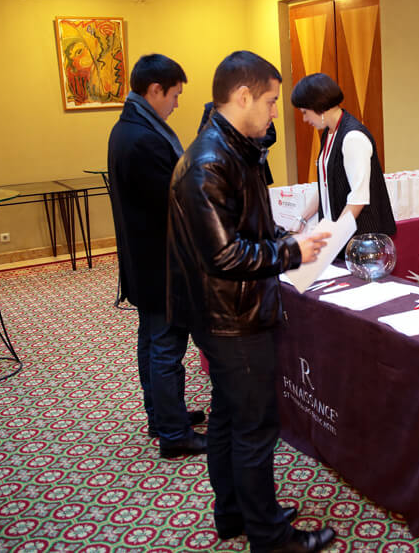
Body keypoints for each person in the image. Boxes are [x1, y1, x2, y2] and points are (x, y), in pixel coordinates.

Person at [167, 51, 336, 553]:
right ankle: (269, 537)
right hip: (231, 316)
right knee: (255, 428)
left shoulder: (232, 148)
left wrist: (283, 236)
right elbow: (225, 254)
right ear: (242, 96)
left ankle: (234, 513)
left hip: (223, 310)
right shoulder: (210, 161)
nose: (274, 112)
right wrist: (291, 251)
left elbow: (245, 224)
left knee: (228, 417)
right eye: (269, 101)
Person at [107, 53, 207, 459]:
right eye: (175, 95)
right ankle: (174, 433)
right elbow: (174, 200)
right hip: (162, 262)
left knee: (151, 340)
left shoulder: (127, 127)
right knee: (167, 347)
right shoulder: (145, 139)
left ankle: (162, 416)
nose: (177, 104)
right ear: (154, 90)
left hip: (144, 258)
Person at [291, 73, 396, 238]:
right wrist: (302, 219)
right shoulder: (329, 133)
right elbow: (325, 184)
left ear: (318, 106)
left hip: (361, 237)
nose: (304, 119)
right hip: (341, 233)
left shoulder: (353, 137)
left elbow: (358, 199)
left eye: (305, 112)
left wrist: (335, 237)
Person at [199, 101, 276, 184]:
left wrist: (246, 146)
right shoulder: (211, 108)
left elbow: (271, 135)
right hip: (225, 169)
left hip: (253, 168)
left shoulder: (256, 106)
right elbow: (203, 136)